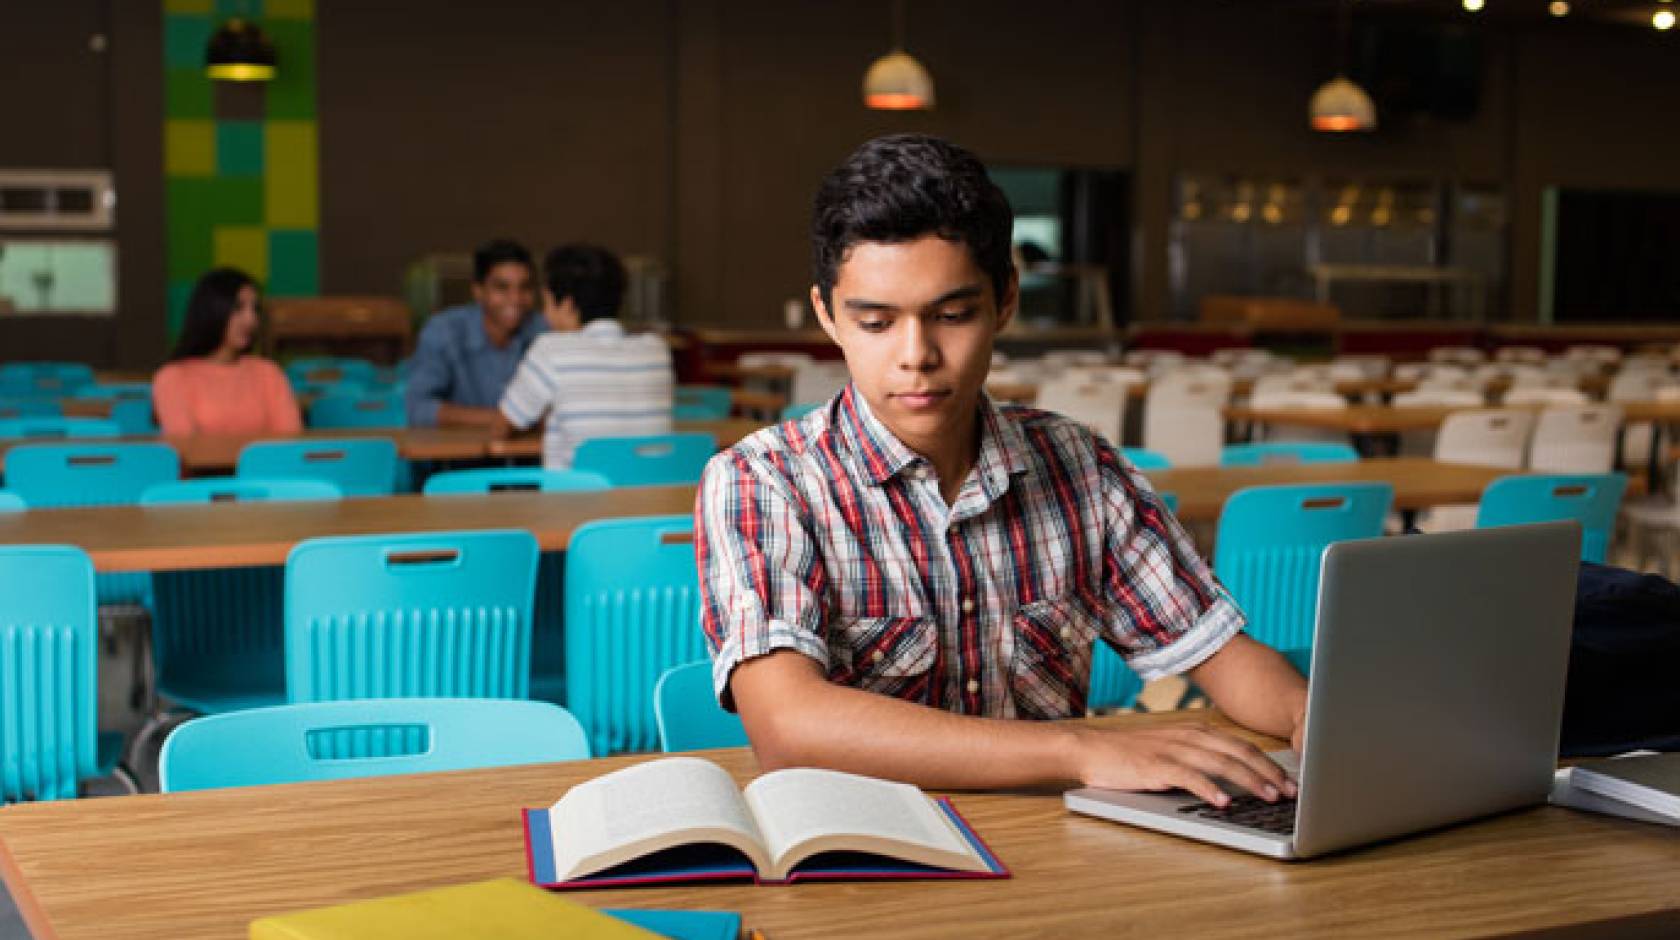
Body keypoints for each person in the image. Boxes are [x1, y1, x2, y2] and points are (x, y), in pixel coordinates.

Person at [696, 134, 1307, 807]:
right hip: (868, 860)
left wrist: (1314, 718)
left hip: (1057, 857)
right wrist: (1082, 748)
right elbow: (790, 726)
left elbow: (1218, 653)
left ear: (1005, 302)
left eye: (953, 316)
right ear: (827, 316)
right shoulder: (764, 481)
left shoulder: (1081, 467)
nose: (917, 355)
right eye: (875, 322)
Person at [494, 244, 674, 469]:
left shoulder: (551, 350)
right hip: (654, 499)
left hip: (578, 501)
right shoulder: (656, 349)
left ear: (567, 305)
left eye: (547, 302)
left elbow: (502, 427)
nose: (545, 313)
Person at [404, 239, 544, 428]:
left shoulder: (543, 331)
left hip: (528, 455)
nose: (516, 299)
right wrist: (503, 420)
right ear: (478, 291)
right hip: (458, 454)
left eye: (525, 287)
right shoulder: (444, 332)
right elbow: (418, 409)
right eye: (502, 288)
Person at [152, 267, 302, 437]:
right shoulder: (173, 377)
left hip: (268, 464)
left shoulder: (268, 373)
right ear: (212, 310)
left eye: (255, 309)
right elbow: (188, 451)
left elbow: (290, 443)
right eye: (238, 308)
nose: (251, 320)